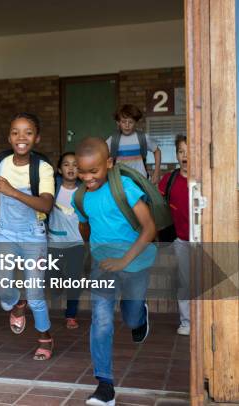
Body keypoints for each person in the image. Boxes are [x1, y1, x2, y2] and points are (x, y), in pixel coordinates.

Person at [72, 137, 157, 406]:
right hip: (103, 266)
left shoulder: (125, 188)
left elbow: (150, 229)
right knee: (102, 321)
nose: (87, 177)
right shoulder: (81, 197)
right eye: (81, 171)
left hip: (135, 263)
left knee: (130, 319)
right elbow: (85, 227)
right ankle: (104, 386)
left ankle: (139, 315)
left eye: (93, 171)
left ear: (108, 164)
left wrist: (123, 262)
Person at [0, 112, 55, 361]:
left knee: (36, 296)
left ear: (36, 138)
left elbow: (46, 205)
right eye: (15, 132)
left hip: (33, 236)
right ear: (9, 137)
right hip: (5, 231)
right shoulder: (1, 161)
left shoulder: (42, 168)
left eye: (28, 132)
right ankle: (17, 303)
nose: (21, 137)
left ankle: (45, 337)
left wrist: (13, 191)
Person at [47, 152, 84, 329]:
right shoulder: (53, 188)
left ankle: (71, 315)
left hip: (77, 241)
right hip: (54, 239)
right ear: (59, 169)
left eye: (75, 164)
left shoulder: (85, 190)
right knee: (53, 279)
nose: (71, 168)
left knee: (74, 279)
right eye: (66, 164)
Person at [158, 135, 190, 336]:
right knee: (185, 282)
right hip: (182, 240)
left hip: (207, 238)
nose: (185, 156)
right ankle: (187, 322)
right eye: (181, 151)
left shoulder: (207, 178)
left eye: (189, 151)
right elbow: (157, 205)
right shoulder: (169, 180)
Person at [107, 104, 161, 184]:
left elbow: (157, 151)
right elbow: (101, 155)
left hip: (141, 181)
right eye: (123, 122)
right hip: (121, 182)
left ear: (136, 122)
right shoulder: (113, 139)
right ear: (118, 122)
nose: (127, 125)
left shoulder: (143, 137)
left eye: (131, 122)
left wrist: (156, 172)